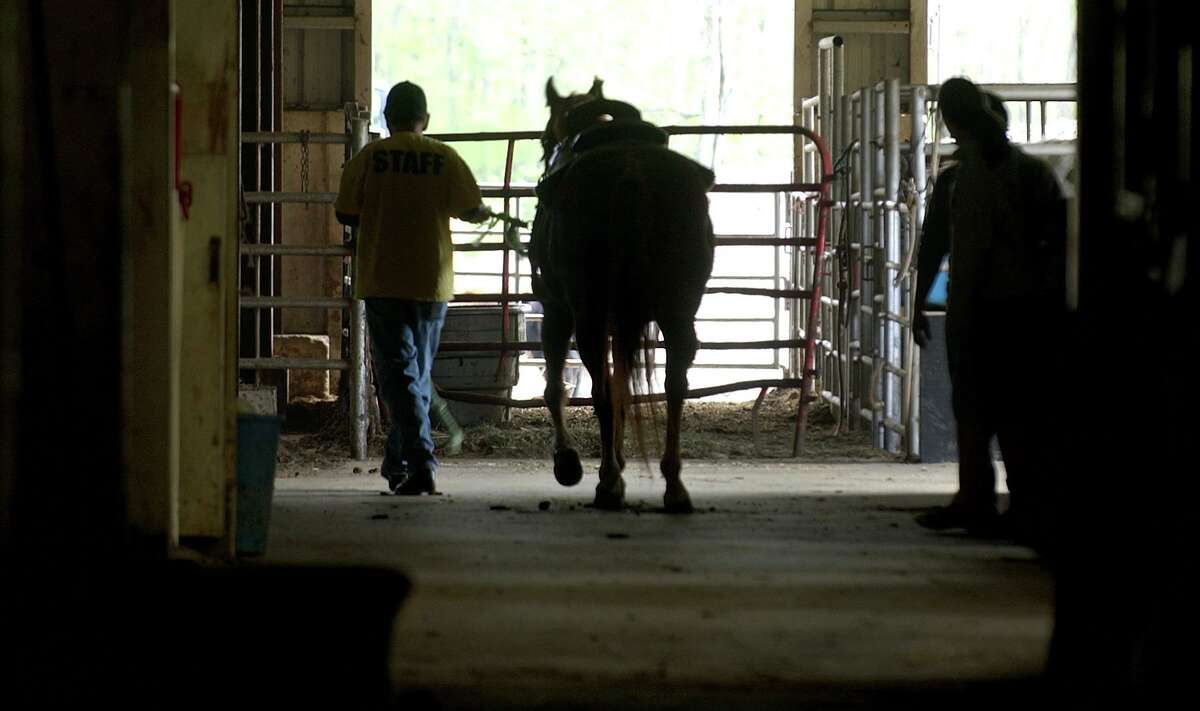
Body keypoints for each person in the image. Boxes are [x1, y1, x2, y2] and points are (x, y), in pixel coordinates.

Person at [911, 78, 1066, 546]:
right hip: (1019, 308)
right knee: (1013, 407)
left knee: (979, 406)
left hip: (982, 308)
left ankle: (979, 499)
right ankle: (1015, 504)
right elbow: (1056, 243)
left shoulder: (961, 179)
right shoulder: (1031, 175)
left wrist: (920, 302)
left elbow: (934, 244)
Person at [335, 81, 491, 495]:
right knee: (415, 375)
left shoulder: (370, 157)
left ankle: (417, 462)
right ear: (427, 119)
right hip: (431, 281)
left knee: (402, 377)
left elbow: (345, 212)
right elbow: (471, 209)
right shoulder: (443, 157)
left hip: (384, 279)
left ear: (387, 120)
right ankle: (402, 463)